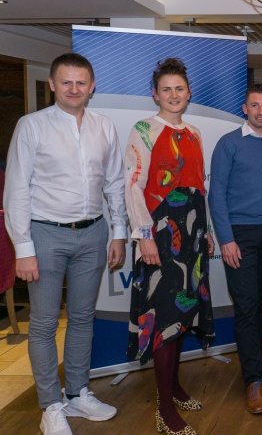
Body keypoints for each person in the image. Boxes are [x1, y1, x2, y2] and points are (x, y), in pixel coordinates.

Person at [4, 53, 126, 435]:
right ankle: (50, 405)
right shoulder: (31, 126)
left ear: (91, 86)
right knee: (41, 324)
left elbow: (115, 184)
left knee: (83, 318)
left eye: (81, 82)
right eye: (66, 82)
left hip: (93, 233)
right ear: (53, 85)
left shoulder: (104, 127)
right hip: (45, 234)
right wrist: (23, 248)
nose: (74, 89)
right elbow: (17, 190)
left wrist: (119, 232)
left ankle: (76, 393)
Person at [125, 58, 215, 435]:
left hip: (192, 234)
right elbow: (132, 185)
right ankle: (164, 407)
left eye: (180, 89)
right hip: (159, 234)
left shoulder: (194, 132)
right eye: (167, 89)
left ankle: (174, 387)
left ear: (189, 92)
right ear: (155, 93)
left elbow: (198, 186)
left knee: (181, 314)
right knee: (164, 318)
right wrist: (144, 236)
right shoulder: (143, 129)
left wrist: (206, 230)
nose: (174, 95)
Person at [209, 83, 262, 414]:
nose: (259, 110)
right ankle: (253, 380)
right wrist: (226, 239)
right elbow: (217, 195)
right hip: (239, 235)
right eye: (254, 105)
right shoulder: (228, 144)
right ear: (245, 108)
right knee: (245, 306)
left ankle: (253, 364)